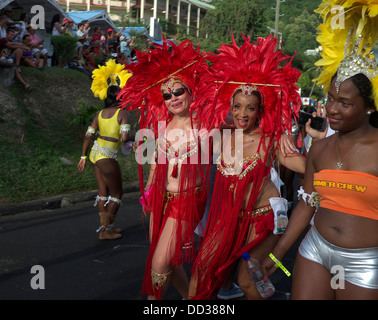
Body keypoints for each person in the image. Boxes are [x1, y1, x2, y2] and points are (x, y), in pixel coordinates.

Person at [262, 0, 378, 300]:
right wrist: (277, 254)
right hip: (315, 251)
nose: (332, 110)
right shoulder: (320, 148)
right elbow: (307, 204)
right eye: (330, 98)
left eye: (345, 103)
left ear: (369, 108)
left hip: (365, 262)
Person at [188, 34, 305, 300]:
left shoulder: (269, 140)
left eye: (250, 108)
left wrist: (329, 164)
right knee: (202, 268)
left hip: (264, 219)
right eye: (237, 106)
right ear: (229, 106)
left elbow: (302, 166)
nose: (242, 114)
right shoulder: (222, 139)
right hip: (228, 218)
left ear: (259, 111)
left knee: (249, 278)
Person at [118, 38, 211, 300]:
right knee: (168, 259)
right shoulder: (159, 124)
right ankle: (193, 299)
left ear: (191, 89)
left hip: (188, 199)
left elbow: (244, 118)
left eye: (179, 91)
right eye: (167, 95)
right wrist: (148, 191)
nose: (173, 98)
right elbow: (153, 161)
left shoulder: (207, 122)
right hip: (160, 198)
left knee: (159, 264)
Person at [78, 59, 133, 240]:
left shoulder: (99, 114)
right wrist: (141, 137)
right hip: (107, 156)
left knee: (103, 193)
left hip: (94, 154)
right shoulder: (122, 113)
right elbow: (124, 137)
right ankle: (106, 230)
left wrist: (83, 156)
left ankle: (105, 228)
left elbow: (88, 136)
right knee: (116, 193)